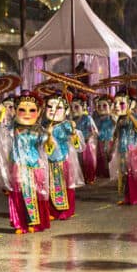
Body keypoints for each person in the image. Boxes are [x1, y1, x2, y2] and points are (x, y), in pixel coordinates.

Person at [0, 87, 51, 233]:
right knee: (17, 194)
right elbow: (2, 111)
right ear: (15, 110)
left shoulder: (39, 129)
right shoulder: (13, 126)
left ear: (38, 112)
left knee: (34, 193)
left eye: (32, 110)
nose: (27, 114)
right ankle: (19, 224)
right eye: (22, 109)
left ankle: (33, 223)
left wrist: (50, 135)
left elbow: (47, 147)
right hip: (18, 166)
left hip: (35, 166)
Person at [109, 87, 137, 205]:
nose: (117, 106)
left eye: (122, 103)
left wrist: (131, 116)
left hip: (135, 150)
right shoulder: (120, 119)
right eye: (115, 103)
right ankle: (129, 198)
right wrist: (111, 149)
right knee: (126, 175)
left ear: (131, 104)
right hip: (123, 150)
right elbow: (116, 134)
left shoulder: (135, 115)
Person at [43, 91, 84, 220]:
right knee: (49, 186)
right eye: (50, 106)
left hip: (63, 160)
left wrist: (73, 132)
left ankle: (65, 211)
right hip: (48, 161)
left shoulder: (66, 125)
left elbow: (78, 146)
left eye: (58, 107)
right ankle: (51, 210)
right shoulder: (44, 125)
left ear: (66, 111)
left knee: (66, 187)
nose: (53, 110)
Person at [72, 93, 98, 185]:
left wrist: (86, 139)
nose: (73, 109)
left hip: (87, 142)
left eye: (76, 107)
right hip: (77, 143)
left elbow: (93, 131)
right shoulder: (72, 119)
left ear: (83, 107)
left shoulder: (87, 117)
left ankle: (90, 177)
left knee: (88, 160)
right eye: (72, 107)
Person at [93, 94, 115, 179]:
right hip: (99, 140)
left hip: (109, 139)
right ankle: (102, 171)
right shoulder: (96, 118)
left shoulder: (112, 117)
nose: (101, 108)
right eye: (99, 106)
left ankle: (109, 171)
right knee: (100, 156)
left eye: (104, 105)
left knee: (108, 155)